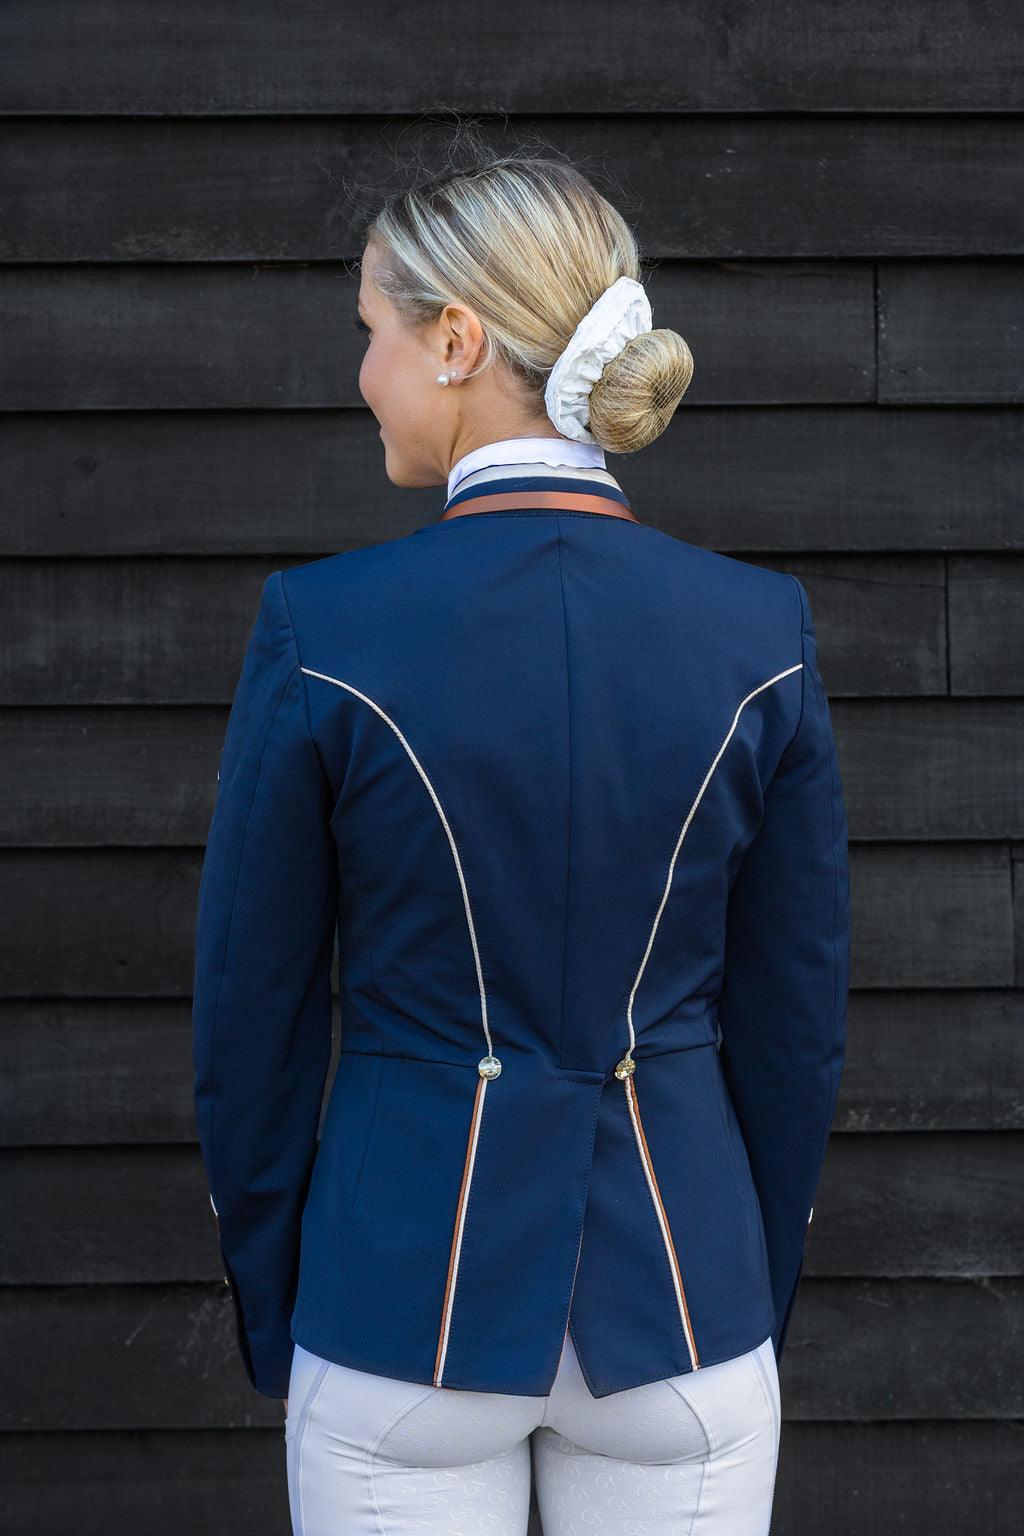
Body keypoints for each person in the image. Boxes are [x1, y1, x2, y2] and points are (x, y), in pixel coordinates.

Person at [192, 140, 850, 1536]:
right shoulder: (758, 632)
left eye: (370, 332)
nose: (362, 373)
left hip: (398, 1306)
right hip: (682, 1303)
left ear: (455, 340)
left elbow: (251, 1024)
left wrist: (284, 1304)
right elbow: (794, 1029)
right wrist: (742, 1290)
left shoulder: (327, 627)